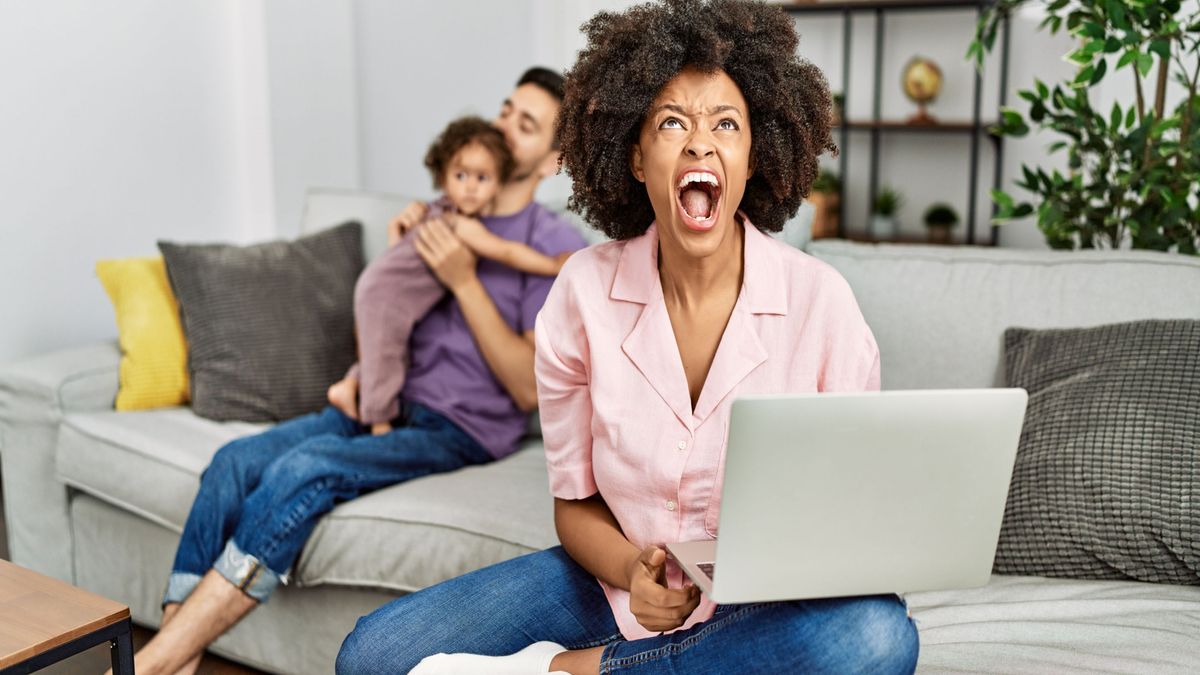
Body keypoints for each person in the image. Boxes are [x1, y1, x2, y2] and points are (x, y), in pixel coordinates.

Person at [335, 1, 919, 674]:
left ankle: (578, 670)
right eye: (672, 122)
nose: (701, 142)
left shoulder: (823, 305)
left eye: (726, 124)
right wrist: (632, 570)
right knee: (370, 658)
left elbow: (854, 517)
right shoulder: (582, 293)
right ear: (638, 157)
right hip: (613, 588)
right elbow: (575, 503)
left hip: (764, 606)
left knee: (875, 637)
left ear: (754, 155)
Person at [122, 66, 586, 675]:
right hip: (381, 403)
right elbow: (389, 313)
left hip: (457, 426)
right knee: (232, 463)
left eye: (525, 125)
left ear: (552, 161)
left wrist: (464, 280)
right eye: (505, 109)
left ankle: (155, 661)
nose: (503, 126)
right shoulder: (439, 211)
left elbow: (527, 387)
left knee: (305, 469)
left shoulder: (548, 243)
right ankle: (179, 662)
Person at [328, 116, 573, 434]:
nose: (470, 187)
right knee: (386, 349)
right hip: (384, 292)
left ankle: (350, 386)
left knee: (387, 345)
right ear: (443, 179)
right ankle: (379, 422)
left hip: (383, 288)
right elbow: (505, 252)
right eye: (460, 176)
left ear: (498, 184)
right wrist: (552, 265)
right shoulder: (459, 224)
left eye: (482, 178)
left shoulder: (434, 212)